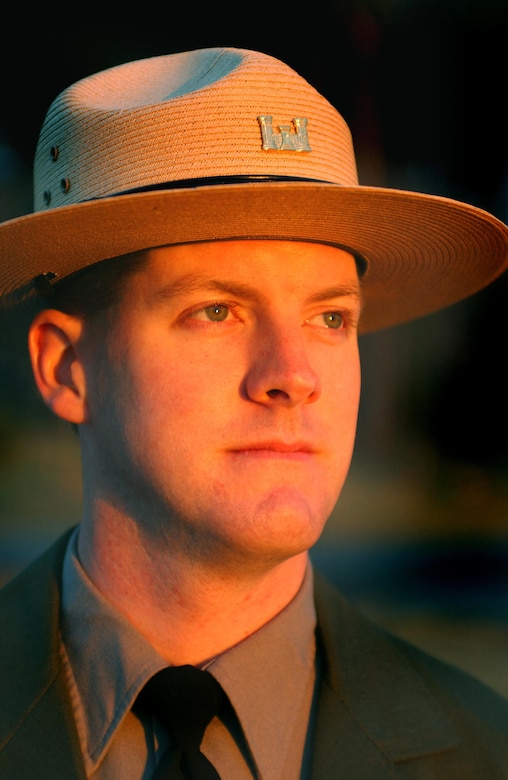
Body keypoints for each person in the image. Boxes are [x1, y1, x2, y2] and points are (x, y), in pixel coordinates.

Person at [0, 46, 507, 779]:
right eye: (217, 310)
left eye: (331, 319)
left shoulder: (486, 756)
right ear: (65, 368)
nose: (293, 376)